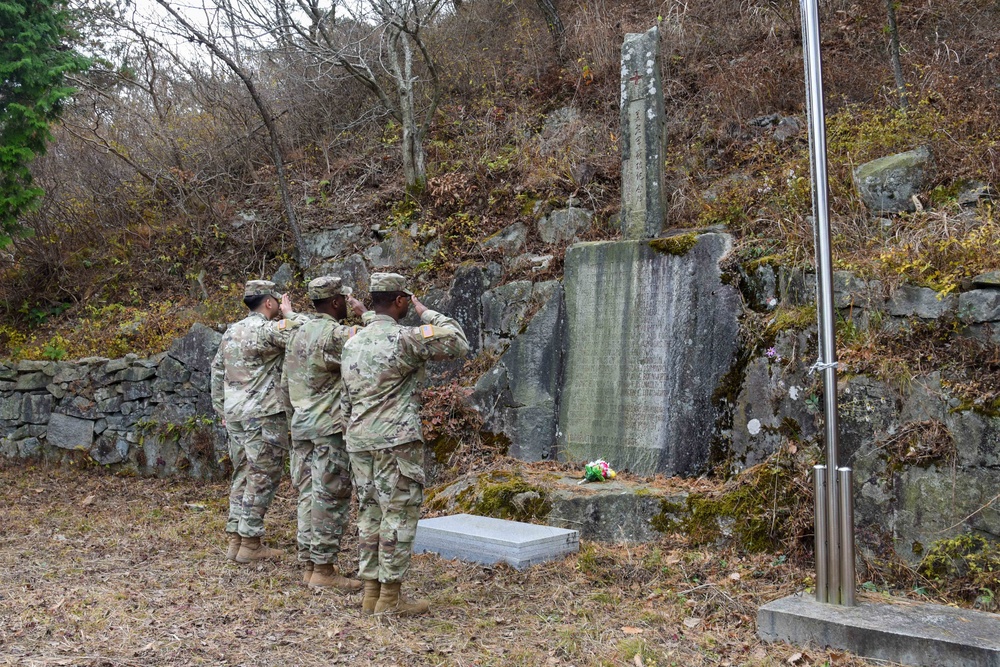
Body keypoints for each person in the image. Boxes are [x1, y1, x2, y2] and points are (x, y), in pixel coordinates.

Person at [341, 272, 470, 616]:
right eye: (406, 300)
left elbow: (345, 400)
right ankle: (390, 599)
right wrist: (428, 312)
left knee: (369, 513)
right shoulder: (405, 338)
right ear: (399, 301)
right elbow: (458, 341)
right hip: (395, 441)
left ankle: (371, 593)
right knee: (398, 515)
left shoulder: (352, 342)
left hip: (359, 440)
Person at [211, 280, 305, 563]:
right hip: (262, 414)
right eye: (278, 301)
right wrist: (290, 315)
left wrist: (222, 410)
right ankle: (250, 542)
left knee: (242, 472)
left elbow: (217, 372)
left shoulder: (231, 332)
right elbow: (308, 335)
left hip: (236, 414)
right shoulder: (267, 330)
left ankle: (236, 538)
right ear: (269, 302)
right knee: (263, 474)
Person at [281, 276, 366, 590]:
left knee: (307, 493)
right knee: (329, 496)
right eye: (344, 299)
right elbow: (374, 339)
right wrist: (366, 313)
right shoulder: (335, 334)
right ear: (335, 302)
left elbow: (283, 383)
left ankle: (309, 562)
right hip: (327, 428)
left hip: (301, 425)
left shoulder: (297, 332)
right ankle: (323, 569)